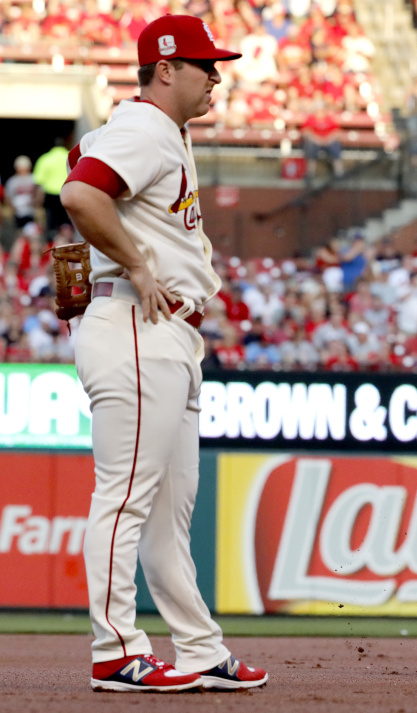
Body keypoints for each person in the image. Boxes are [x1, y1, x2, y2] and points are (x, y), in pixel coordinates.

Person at [59, 15, 267, 693]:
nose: (217, 76)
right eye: (205, 64)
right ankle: (116, 648)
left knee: (169, 512)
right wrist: (133, 264)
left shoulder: (163, 132)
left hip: (164, 330)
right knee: (125, 498)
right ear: (166, 68)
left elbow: (87, 172)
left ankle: (199, 647)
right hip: (137, 324)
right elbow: (82, 192)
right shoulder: (146, 125)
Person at [33, 138, 71, 234]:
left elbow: (39, 183)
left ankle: (52, 244)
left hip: (50, 196)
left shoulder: (45, 159)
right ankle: (68, 245)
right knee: (66, 224)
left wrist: (37, 202)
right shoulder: (70, 156)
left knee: (51, 224)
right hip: (66, 193)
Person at [4, 155, 41, 231]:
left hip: (31, 211)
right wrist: (13, 207)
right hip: (17, 213)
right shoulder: (12, 181)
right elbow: (7, 197)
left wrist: (34, 203)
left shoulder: (34, 179)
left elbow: (39, 194)